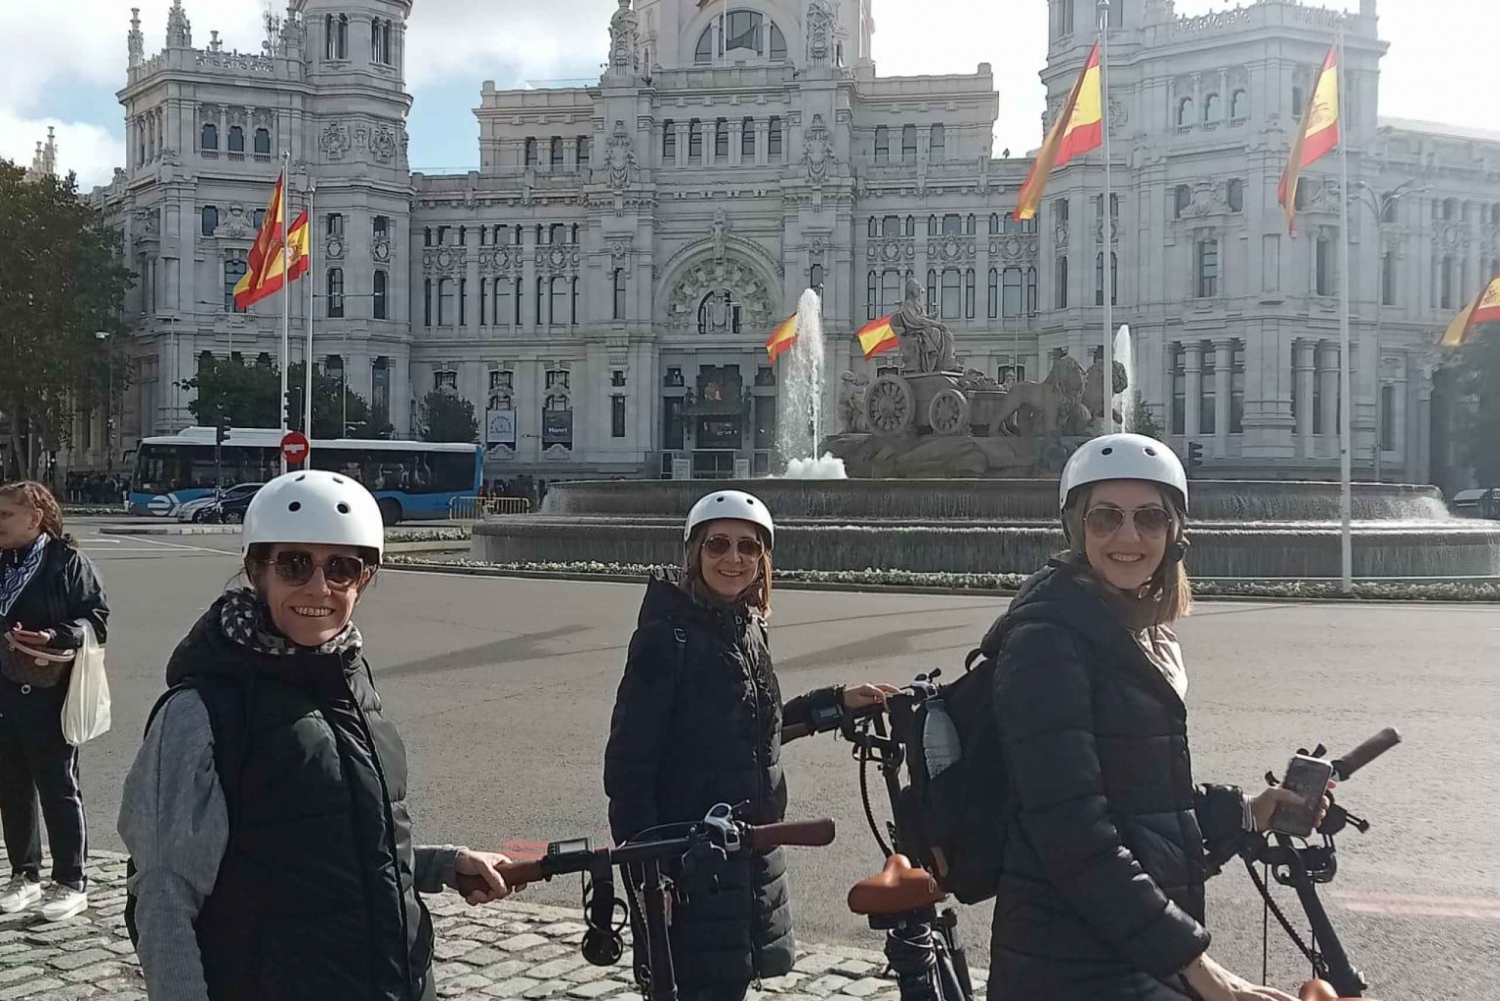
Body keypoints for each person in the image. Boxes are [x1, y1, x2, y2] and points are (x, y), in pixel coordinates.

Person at [119, 470, 521, 1001]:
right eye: (294, 564)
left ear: (365, 578)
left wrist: (444, 864)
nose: (318, 587)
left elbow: (328, 839)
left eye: (341, 567)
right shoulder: (201, 710)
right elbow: (166, 897)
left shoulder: (348, 679)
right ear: (256, 570)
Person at [988, 434, 1320, 1001]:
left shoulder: (1134, 632)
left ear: (1174, 534)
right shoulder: (1047, 642)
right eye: (1105, 518)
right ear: (1075, 529)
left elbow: (1141, 803)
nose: (1128, 537)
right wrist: (1199, 967)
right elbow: (1074, 835)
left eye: (1148, 518)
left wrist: (1247, 812)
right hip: (1071, 965)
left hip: (1126, 946)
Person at [604, 489, 896, 1001]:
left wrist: (837, 702)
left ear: (763, 559)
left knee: (731, 985)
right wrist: (651, 885)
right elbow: (629, 775)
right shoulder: (664, 638)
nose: (733, 559)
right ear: (694, 552)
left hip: (748, 862)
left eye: (748, 547)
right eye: (717, 544)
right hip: (693, 867)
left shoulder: (747, 628)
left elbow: (758, 728)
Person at [0, 481, 108, 922]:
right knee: (11, 786)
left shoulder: (66, 561)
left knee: (58, 785)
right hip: (4, 689)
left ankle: (70, 880)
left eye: (6, 515)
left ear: (35, 517)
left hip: (47, 689)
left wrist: (54, 636)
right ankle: (24, 874)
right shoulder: (3, 561)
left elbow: (95, 618)